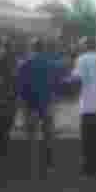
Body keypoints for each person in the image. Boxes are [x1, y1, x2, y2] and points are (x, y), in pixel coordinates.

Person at [16, 38, 58, 179]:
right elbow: (55, 83)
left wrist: (21, 102)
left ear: (32, 48)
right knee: (48, 136)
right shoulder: (50, 63)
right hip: (46, 103)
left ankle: (32, 167)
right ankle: (49, 166)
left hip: (30, 104)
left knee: (31, 136)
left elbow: (20, 85)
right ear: (43, 47)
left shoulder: (24, 63)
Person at [70, 37, 96, 178]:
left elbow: (77, 80)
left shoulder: (82, 59)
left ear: (85, 46)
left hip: (88, 103)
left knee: (87, 138)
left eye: (81, 45)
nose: (80, 47)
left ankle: (89, 168)